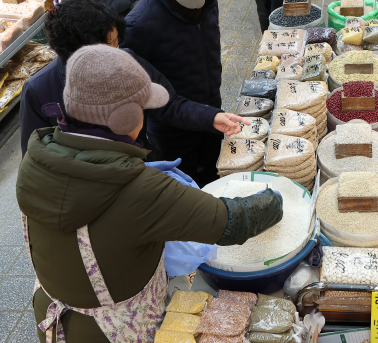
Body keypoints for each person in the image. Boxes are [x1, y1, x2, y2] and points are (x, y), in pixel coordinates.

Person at [17, 44, 283, 343]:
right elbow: (232, 220)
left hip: (54, 317)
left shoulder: (36, 161)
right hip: (114, 332)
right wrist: (277, 196)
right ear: (125, 119)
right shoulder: (139, 189)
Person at [19, 0, 249, 158]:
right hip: (89, 192)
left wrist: (212, 117)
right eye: (109, 44)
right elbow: (36, 157)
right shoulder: (39, 92)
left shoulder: (127, 61)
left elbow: (169, 105)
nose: (117, 49)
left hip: (140, 165)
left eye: (116, 40)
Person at [122, 0, 227, 187]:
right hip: (174, 134)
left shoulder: (207, 0)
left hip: (212, 115)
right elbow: (145, 94)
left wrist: (211, 114)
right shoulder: (139, 25)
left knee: (215, 180)